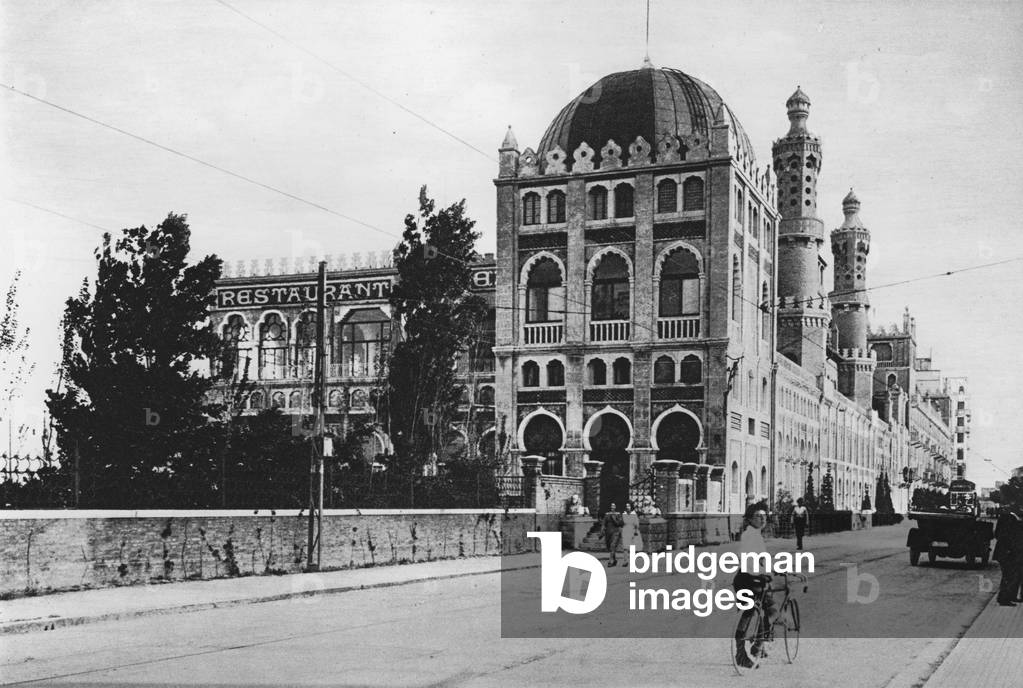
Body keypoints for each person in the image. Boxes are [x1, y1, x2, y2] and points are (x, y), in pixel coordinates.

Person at [733, 503, 778, 668]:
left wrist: (769, 570)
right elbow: (747, 559)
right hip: (749, 579)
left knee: (751, 612)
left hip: (750, 578)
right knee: (770, 611)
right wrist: (762, 573)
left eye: (764, 516)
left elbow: (760, 559)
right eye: (758, 516)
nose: (762, 519)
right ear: (750, 519)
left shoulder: (755, 534)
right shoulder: (750, 536)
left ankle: (755, 647)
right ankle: (753, 648)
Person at [994, 507, 1023, 606]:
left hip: (1007, 552)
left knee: (1014, 575)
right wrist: (1010, 548)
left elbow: (997, 534)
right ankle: (1003, 599)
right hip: (1007, 552)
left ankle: (1011, 596)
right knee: (1008, 575)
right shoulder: (1010, 519)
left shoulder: (1007, 517)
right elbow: (1008, 536)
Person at [602, 502, 624, 567]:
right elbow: (604, 523)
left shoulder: (618, 514)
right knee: (610, 547)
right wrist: (602, 530)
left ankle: (610, 561)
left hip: (616, 532)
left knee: (612, 545)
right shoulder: (607, 514)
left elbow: (620, 523)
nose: (612, 507)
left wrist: (614, 520)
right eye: (611, 506)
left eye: (613, 506)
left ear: (615, 507)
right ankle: (614, 560)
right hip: (608, 533)